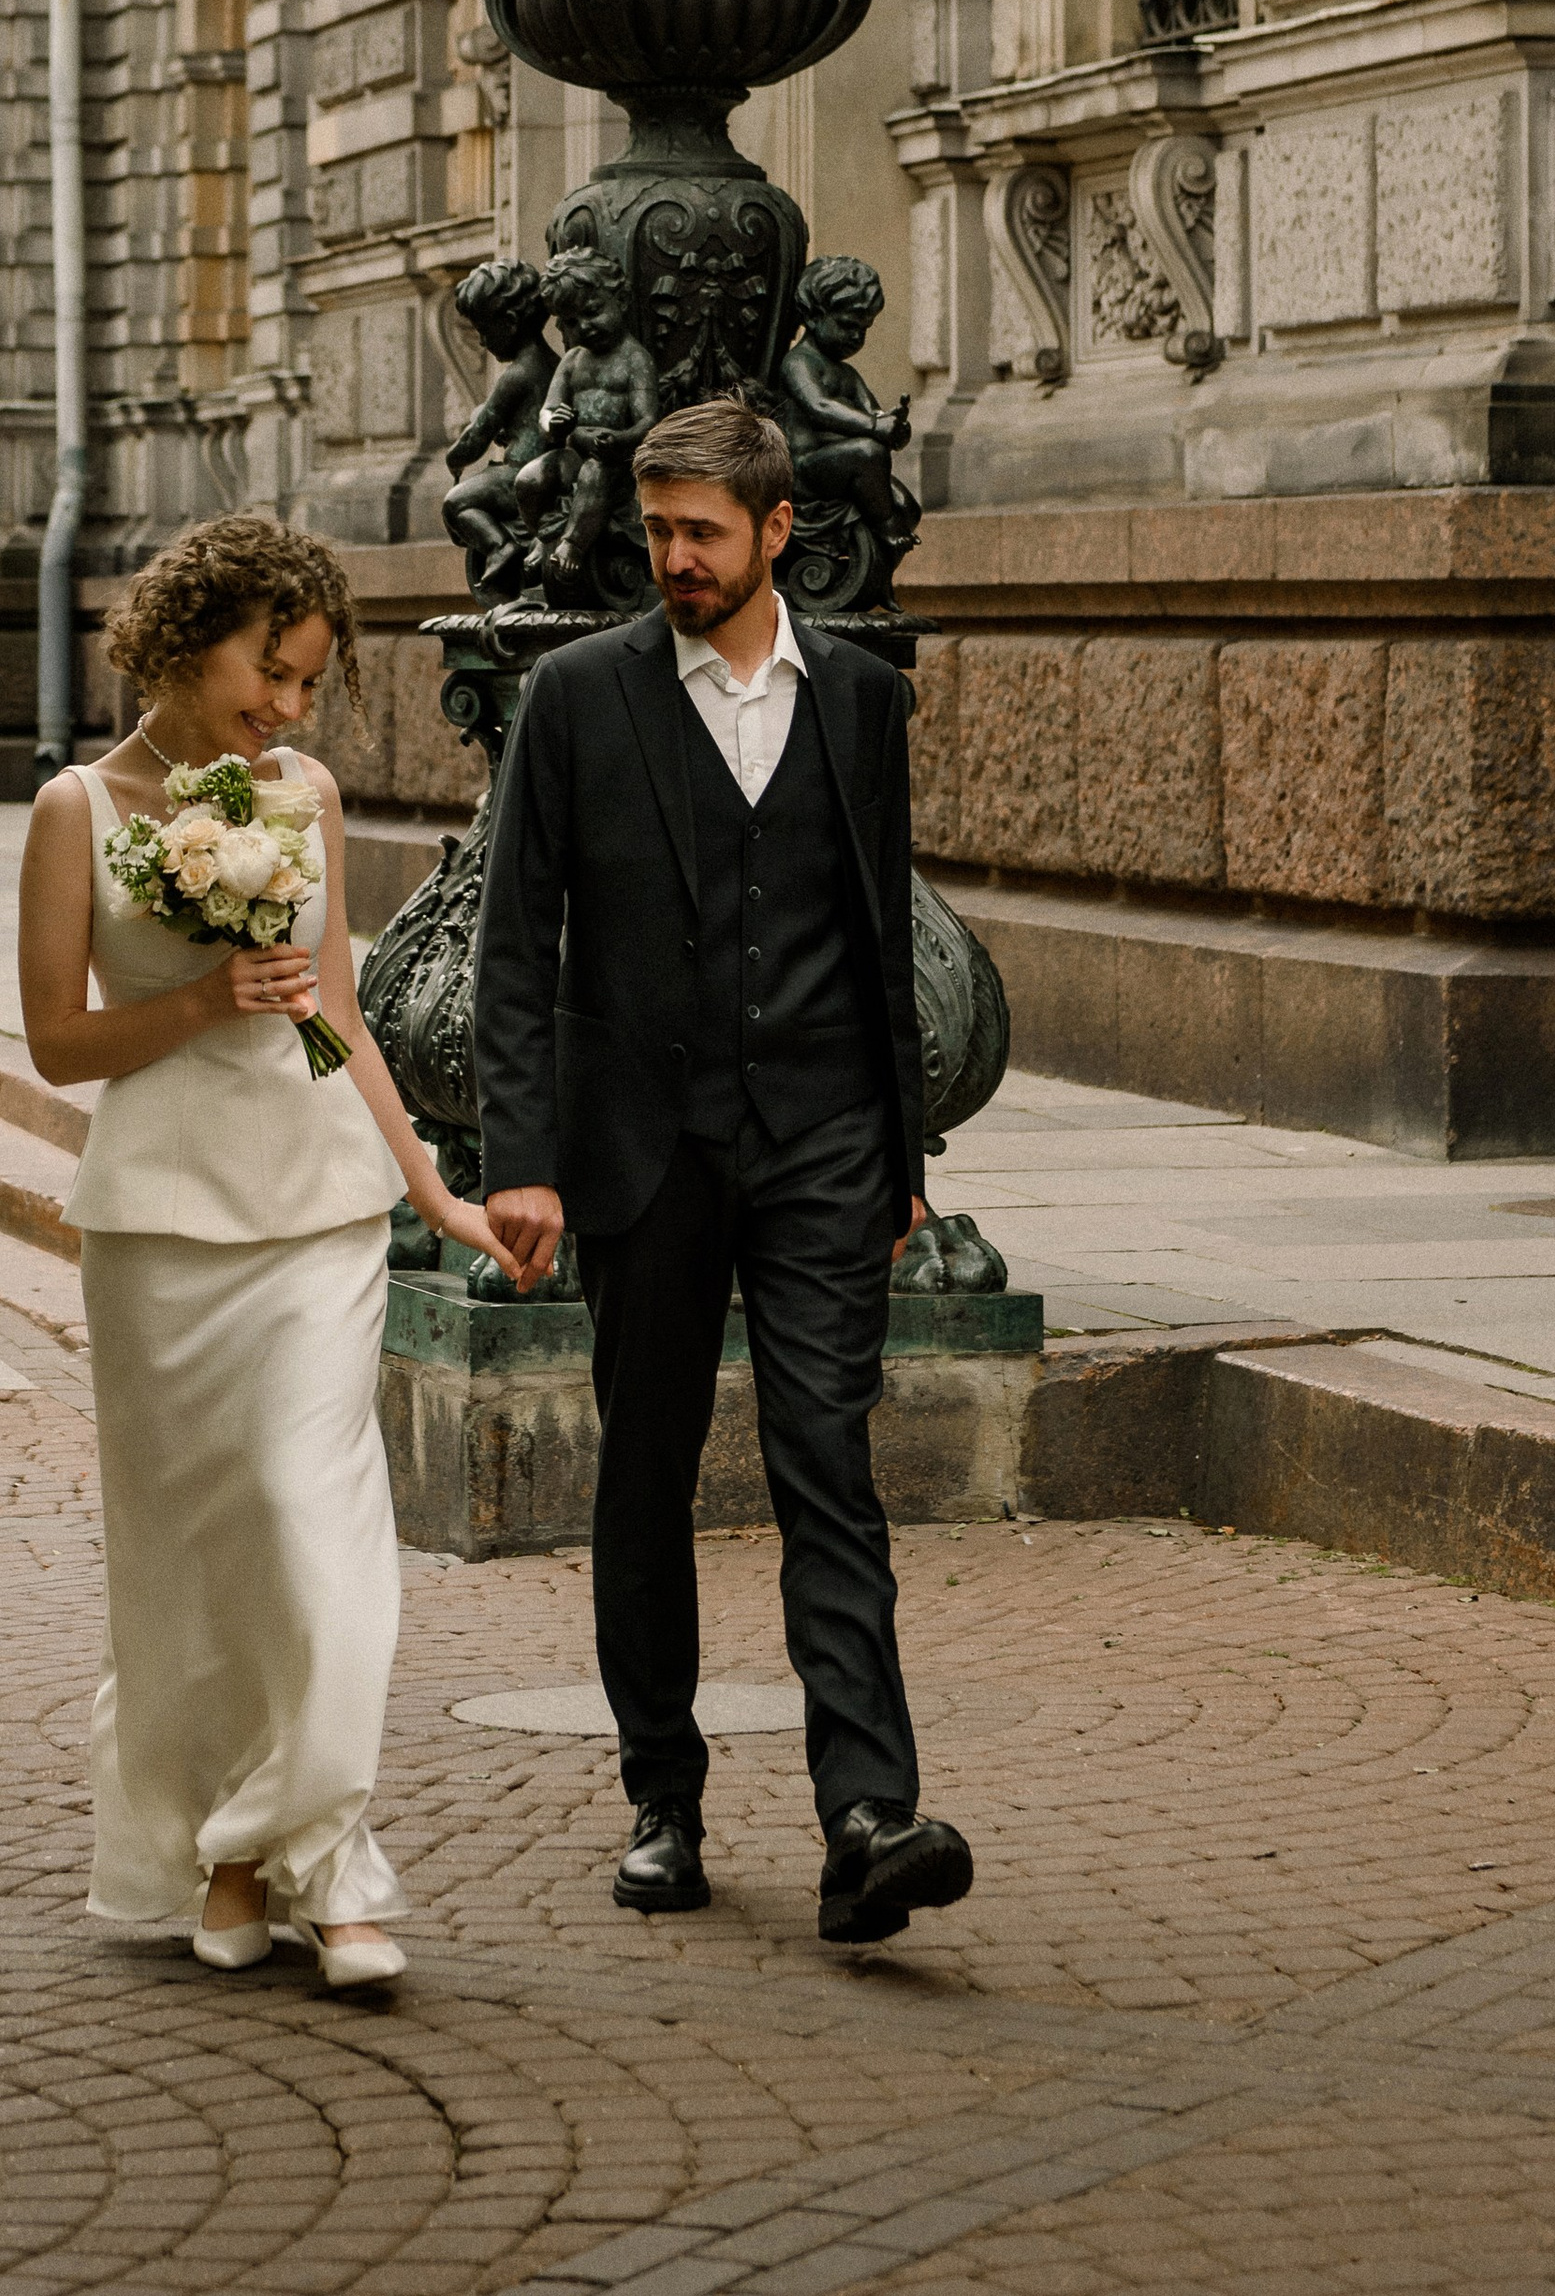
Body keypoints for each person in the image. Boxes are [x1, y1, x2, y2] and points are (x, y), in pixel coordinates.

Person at [471, 393, 974, 1952]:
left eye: (702, 530)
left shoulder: (864, 700)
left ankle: (868, 1814)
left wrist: (901, 1152)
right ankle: (663, 1799)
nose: (671, 554)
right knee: (648, 1468)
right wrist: (526, 1158)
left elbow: (877, 932)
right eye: (658, 526)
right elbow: (513, 944)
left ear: (778, 533)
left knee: (831, 1456)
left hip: (826, 1136)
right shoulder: (573, 696)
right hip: (646, 1150)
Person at [20, 511, 524, 1994]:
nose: (291, 709)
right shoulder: (76, 806)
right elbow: (58, 1038)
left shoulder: (301, 790)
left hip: (318, 1201)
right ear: (191, 638)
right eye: (273, 671)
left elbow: (341, 1015)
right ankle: (234, 1854)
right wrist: (200, 996)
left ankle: (332, 1855)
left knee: (319, 1530)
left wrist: (436, 1194)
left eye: (308, 681)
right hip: (163, 1221)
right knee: (199, 1560)